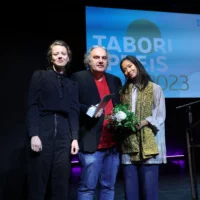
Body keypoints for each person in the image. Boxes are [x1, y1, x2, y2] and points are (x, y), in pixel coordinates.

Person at [26, 40, 79, 200]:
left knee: (61, 185)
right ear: (51, 57)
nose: (60, 56)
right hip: (43, 133)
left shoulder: (72, 84)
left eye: (63, 54)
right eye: (56, 54)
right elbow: (32, 105)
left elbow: (74, 112)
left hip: (64, 138)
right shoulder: (40, 76)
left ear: (68, 58)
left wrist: (75, 138)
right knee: (38, 184)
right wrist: (34, 134)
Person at [70, 45, 122, 200]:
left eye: (104, 58)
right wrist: (89, 110)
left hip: (112, 144)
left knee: (108, 186)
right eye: (96, 57)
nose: (100, 61)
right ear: (88, 60)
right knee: (87, 188)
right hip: (91, 142)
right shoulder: (78, 78)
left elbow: (119, 105)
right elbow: (72, 104)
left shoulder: (115, 80)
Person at [119, 55, 167, 200]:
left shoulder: (155, 88)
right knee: (131, 192)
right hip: (129, 145)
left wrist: (145, 122)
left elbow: (160, 115)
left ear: (137, 65)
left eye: (130, 66)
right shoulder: (123, 91)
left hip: (149, 145)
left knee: (149, 192)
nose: (128, 70)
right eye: (124, 69)